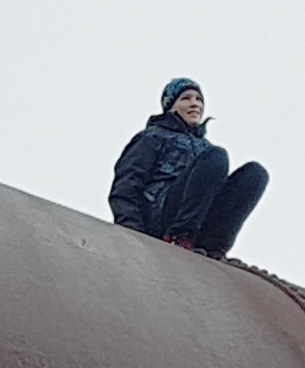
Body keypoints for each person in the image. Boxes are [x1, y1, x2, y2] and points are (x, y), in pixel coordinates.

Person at [109, 79, 269, 257]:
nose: (195, 104)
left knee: (255, 174)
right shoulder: (153, 137)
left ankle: (214, 245)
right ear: (171, 107)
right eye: (186, 98)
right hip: (162, 216)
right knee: (217, 156)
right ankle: (179, 235)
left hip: (200, 222)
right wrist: (131, 229)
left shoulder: (205, 148)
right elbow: (127, 183)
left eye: (199, 99)